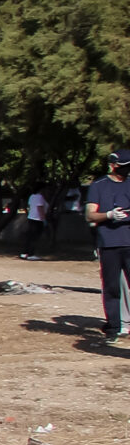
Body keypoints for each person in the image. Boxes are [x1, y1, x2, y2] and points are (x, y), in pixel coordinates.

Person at [88, 147, 130, 345]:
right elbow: (90, 214)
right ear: (113, 165)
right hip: (110, 243)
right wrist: (109, 215)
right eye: (123, 167)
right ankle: (113, 327)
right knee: (111, 287)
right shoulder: (99, 186)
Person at [21, 187, 50, 260]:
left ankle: (25, 253)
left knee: (29, 237)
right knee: (34, 237)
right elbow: (40, 208)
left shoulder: (32, 196)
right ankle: (31, 254)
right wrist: (43, 219)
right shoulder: (39, 197)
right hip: (37, 219)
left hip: (31, 218)